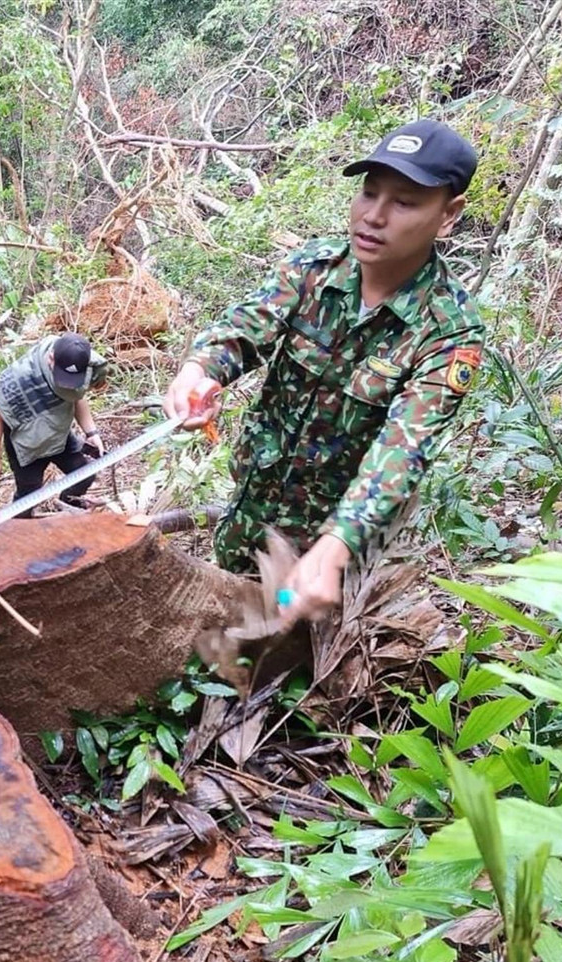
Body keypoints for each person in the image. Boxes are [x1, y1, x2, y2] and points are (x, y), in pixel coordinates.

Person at [164, 118, 484, 622]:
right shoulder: (313, 269)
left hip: (336, 551)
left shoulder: (448, 331)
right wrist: (199, 372)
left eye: (403, 202)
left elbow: (402, 450)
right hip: (253, 509)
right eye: (369, 193)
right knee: (228, 627)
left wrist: (335, 547)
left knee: (291, 643)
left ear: (448, 215)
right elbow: (244, 329)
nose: (373, 216)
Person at [0, 332, 109, 516]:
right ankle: (19, 525)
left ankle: (68, 505)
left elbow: (77, 397)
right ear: (51, 358)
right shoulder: (21, 376)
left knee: (84, 475)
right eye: (63, 377)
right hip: (27, 443)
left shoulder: (86, 364)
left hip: (58, 434)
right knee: (28, 495)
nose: (67, 385)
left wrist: (92, 433)